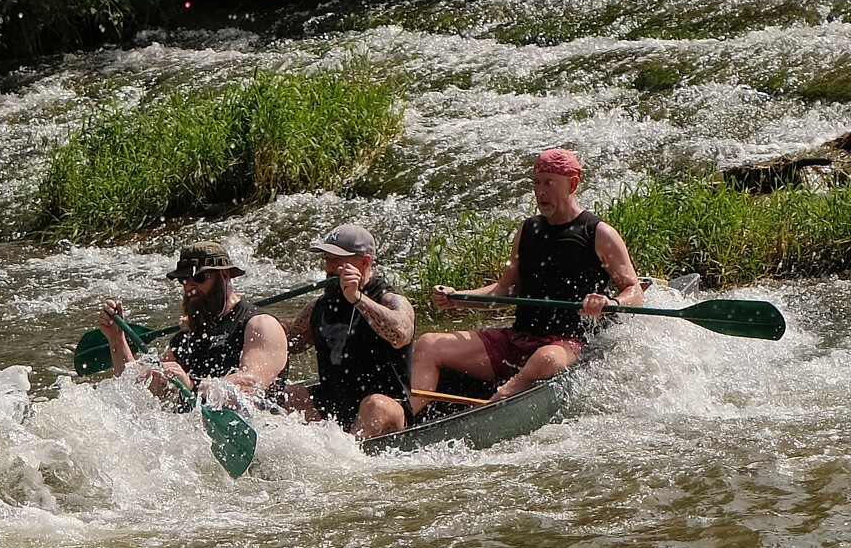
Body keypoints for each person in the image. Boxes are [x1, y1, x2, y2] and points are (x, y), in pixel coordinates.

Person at [410, 148, 644, 415]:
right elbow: (505, 290)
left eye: (549, 183)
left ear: (573, 184)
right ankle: (407, 418)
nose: (540, 191)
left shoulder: (599, 233)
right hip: (518, 338)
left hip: (568, 344)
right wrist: (458, 297)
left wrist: (609, 301)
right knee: (429, 343)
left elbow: (634, 291)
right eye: (536, 183)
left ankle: (499, 401)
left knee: (545, 358)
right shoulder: (528, 230)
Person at [97, 241, 289, 405]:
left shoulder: (260, 325)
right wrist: (116, 339)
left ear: (224, 276)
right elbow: (138, 390)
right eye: (184, 279)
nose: (190, 286)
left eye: (199, 277)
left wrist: (192, 385)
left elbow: (251, 384)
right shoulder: (187, 337)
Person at [278, 225, 416, 438]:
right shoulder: (319, 306)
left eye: (338, 261)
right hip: (335, 403)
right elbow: (289, 343)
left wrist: (357, 299)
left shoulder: (388, 298)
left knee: (374, 405)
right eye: (327, 259)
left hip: (387, 408)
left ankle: (347, 459)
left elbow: (401, 334)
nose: (330, 268)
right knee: (290, 397)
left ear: (365, 262)